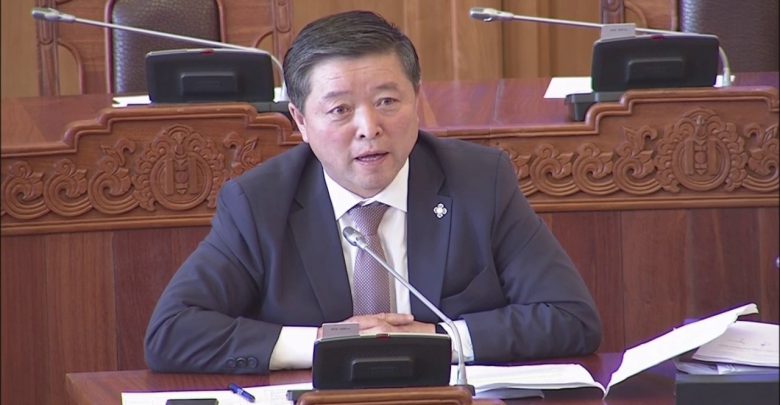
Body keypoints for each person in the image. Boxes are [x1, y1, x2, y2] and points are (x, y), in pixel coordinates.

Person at [144, 10, 602, 374]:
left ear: (417, 100)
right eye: (340, 110)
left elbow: (570, 317)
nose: (369, 128)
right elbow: (172, 333)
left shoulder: (479, 182)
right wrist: (328, 343)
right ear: (300, 121)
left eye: (387, 101)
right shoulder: (259, 203)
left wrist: (440, 341)